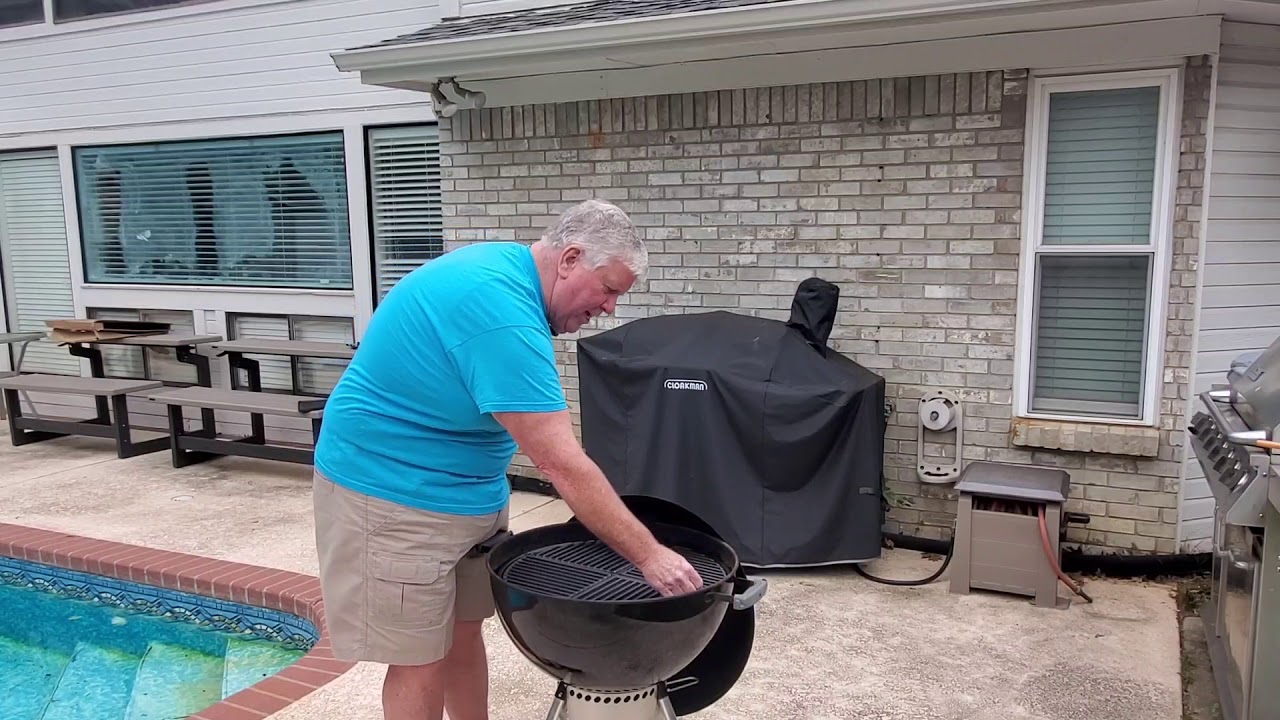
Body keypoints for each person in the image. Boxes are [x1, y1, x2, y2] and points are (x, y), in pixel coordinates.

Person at [310, 198, 704, 720]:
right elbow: (560, 462)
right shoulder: (498, 311)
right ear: (570, 259)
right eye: (607, 289)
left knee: (461, 632)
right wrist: (650, 556)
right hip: (391, 496)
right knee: (418, 659)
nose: (608, 308)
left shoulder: (512, 279)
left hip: (469, 491)